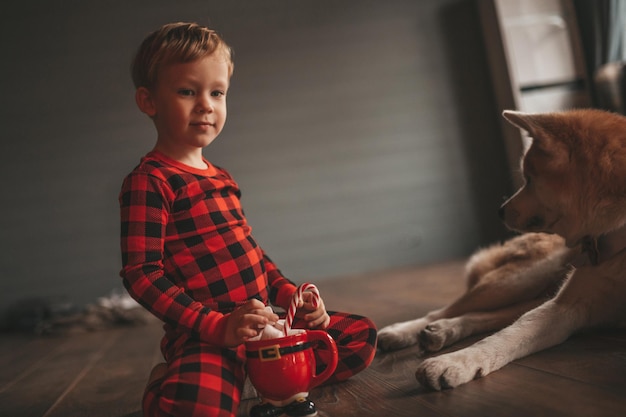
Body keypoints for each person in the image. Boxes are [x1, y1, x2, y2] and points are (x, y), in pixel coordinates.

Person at [119, 22, 377, 417]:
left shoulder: (222, 178)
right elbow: (142, 275)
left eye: (217, 93)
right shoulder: (150, 181)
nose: (206, 104)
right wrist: (216, 327)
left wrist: (289, 295)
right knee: (200, 406)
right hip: (208, 335)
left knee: (360, 337)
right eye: (188, 91)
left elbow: (250, 253)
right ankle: (176, 382)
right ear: (148, 100)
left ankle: (266, 380)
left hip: (266, 324)